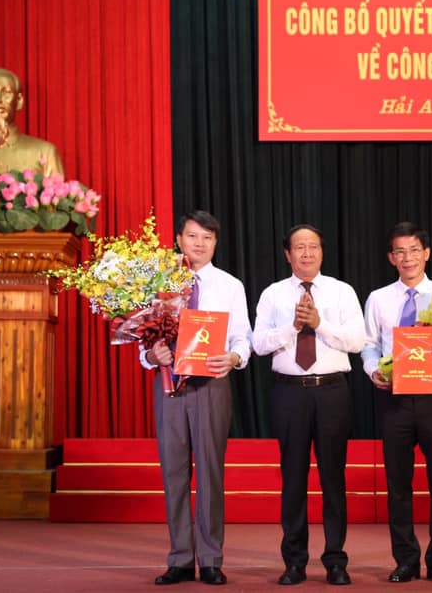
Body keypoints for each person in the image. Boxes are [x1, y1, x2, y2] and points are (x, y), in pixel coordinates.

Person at [140, 211, 252, 586]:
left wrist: (234, 357)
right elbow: (144, 339)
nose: (199, 243)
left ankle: (211, 558)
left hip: (212, 384)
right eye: (192, 236)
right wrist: (151, 355)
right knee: (173, 472)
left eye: (207, 237)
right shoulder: (158, 281)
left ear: (215, 242)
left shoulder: (230, 285)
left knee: (210, 471)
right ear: (179, 239)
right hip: (169, 384)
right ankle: (180, 559)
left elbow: (243, 337)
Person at [252, 224, 365, 587]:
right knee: (293, 478)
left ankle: (336, 560)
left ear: (322, 252)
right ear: (288, 254)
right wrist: (292, 327)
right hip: (290, 393)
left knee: (333, 478)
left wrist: (320, 324)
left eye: (313, 246)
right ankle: (294, 561)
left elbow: (357, 341)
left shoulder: (342, 291)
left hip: (332, 391)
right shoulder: (272, 294)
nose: (306, 253)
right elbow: (258, 344)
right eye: (299, 247)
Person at [361, 222, 432, 585]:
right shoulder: (378, 298)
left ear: (427, 253)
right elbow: (369, 345)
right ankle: (405, 559)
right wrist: (373, 370)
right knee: (398, 484)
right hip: (395, 399)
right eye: (400, 252)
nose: (408, 258)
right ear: (391, 258)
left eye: (414, 250)